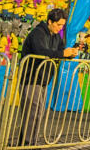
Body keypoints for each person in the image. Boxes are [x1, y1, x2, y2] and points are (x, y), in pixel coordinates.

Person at [18, 8, 78, 146]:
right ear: (50, 21)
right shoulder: (38, 33)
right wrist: (63, 54)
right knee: (31, 114)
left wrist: (71, 53)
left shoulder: (56, 36)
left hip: (43, 79)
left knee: (38, 113)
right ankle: (27, 144)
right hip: (31, 79)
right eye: (58, 24)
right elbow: (41, 51)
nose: (60, 28)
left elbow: (59, 51)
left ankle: (30, 142)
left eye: (62, 25)